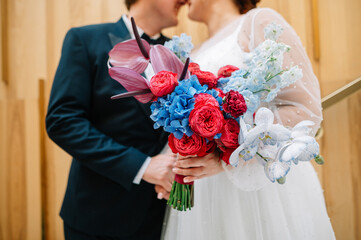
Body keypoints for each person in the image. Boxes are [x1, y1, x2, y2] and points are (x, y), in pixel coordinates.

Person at [161, 0, 336, 239]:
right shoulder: (192, 53)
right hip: (207, 195)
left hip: (262, 189)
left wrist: (226, 159)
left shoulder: (259, 21)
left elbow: (304, 108)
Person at [46, 0, 187, 239]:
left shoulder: (178, 55)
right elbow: (63, 121)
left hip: (161, 217)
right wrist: (142, 166)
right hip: (98, 217)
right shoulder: (85, 40)